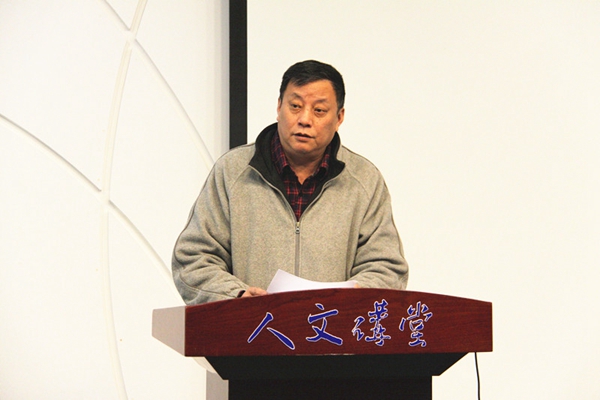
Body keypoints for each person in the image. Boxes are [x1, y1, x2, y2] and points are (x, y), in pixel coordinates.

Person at [172, 60, 408, 304]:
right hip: (254, 326)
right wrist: (237, 296)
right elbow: (193, 259)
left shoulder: (364, 180)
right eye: (295, 106)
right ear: (278, 107)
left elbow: (387, 268)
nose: (304, 119)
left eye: (319, 110)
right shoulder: (232, 172)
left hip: (332, 326)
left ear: (339, 118)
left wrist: (348, 300)